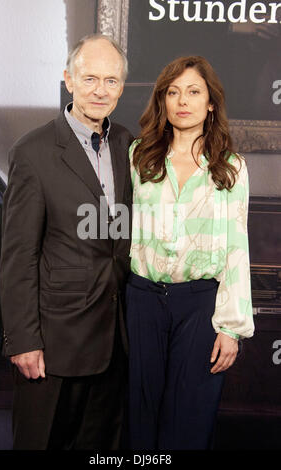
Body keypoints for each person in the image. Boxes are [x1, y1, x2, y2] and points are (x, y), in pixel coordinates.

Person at [0, 34, 133, 450]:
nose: (100, 90)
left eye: (111, 81)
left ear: (122, 87)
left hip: (116, 340)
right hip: (54, 344)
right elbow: (19, 255)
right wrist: (23, 340)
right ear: (68, 79)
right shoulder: (33, 151)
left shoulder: (130, 145)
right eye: (89, 78)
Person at [126, 56, 255, 450]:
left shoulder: (229, 168)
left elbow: (237, 248)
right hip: (142, 300)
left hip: (199, 304)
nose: (183, 100)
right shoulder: (138, 156)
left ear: (211, 102)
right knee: (138, 418)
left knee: (189, 421)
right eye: (173, 91)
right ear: (162, 100)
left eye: (194, 91)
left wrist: (231, 328)